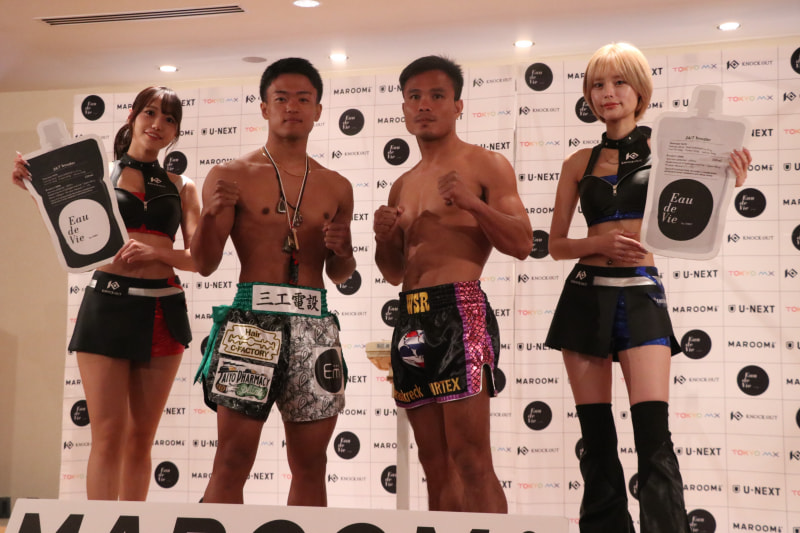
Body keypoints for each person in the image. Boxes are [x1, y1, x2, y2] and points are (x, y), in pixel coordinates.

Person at [544, 43, 752, 532]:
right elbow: (554, 245)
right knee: (596, 441)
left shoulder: (669, 147)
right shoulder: (577, 162)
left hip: (641, 295)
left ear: (639, 91)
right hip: (583, 297)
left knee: (654, 438)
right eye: (598, 84)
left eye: (619, 82)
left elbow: (696, 206)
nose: (608, 92)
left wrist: (729, 179)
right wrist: (599, 243)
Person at [12, 86, 201, 500]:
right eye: (150, 113)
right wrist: (37, 190)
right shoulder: (97, 173)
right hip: (107, 306)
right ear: (132, 116)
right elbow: (71, 228)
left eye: (169, 119)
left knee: (141, 439)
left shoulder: (183, 185)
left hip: (163, 311)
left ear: (176, 132)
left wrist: (156, 252)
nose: (158, 124)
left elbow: (199, 259)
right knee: (108, 435)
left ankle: (132, 526)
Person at [192, 57, 355, 505]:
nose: (292, 107)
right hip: (251, 325)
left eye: (303, 99)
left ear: (318, 109)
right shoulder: (231, 176)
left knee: (312, 464)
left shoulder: (337, 186)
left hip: (315, 325)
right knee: (231, 459)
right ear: (264, 108)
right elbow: (204, 263)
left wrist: (345, 251)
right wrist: (209, 216)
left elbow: (340, 273)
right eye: (281, 98)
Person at [373, 55, 532, 513]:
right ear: (404, 108)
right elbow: (393, 272)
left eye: (437, 95)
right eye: (414, 97)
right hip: (410, 319)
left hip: (459, 310)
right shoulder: (402, 184)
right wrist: (383, 238)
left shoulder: (486, 165)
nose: (424, 105)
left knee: (471, 459)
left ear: (458, 105)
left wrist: (473, 204)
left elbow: (522, 243)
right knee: (435, 463)